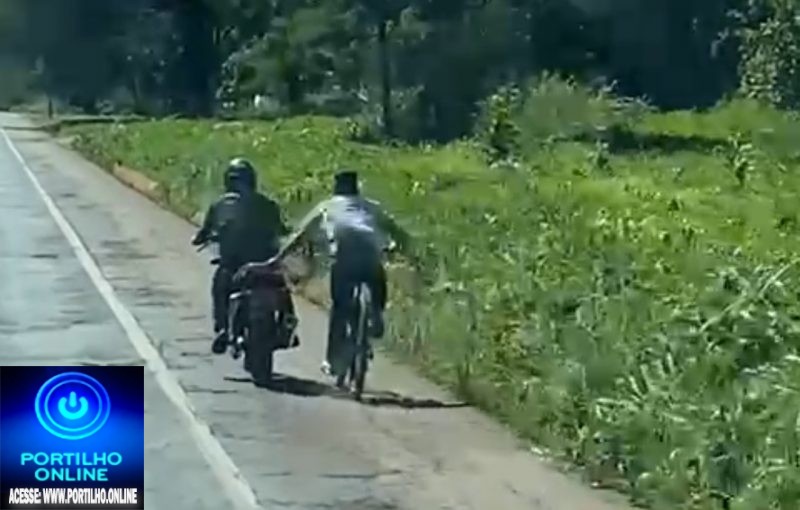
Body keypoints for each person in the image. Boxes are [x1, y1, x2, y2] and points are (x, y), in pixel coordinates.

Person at [237, 169, 411, 378]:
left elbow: (300, 235)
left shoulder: (327, 206)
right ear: (357, 188)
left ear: (336, 187)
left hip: (344, 259)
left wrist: (277, 259)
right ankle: (376, 314)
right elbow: (397, 232)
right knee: (376, 278)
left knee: (340, 309)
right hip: (370, 255)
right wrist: (401, 249)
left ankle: (332, 361)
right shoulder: (371, 206)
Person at [192, 158, 297, 354]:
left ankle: (223, 328)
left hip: (234, 265)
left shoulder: (220, 205)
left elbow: (203, 233)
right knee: (282, 286)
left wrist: (201, 238)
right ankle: (288, 324)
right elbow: (282, 229)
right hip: (265, 265)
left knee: (220, 285)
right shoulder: (268, 204)